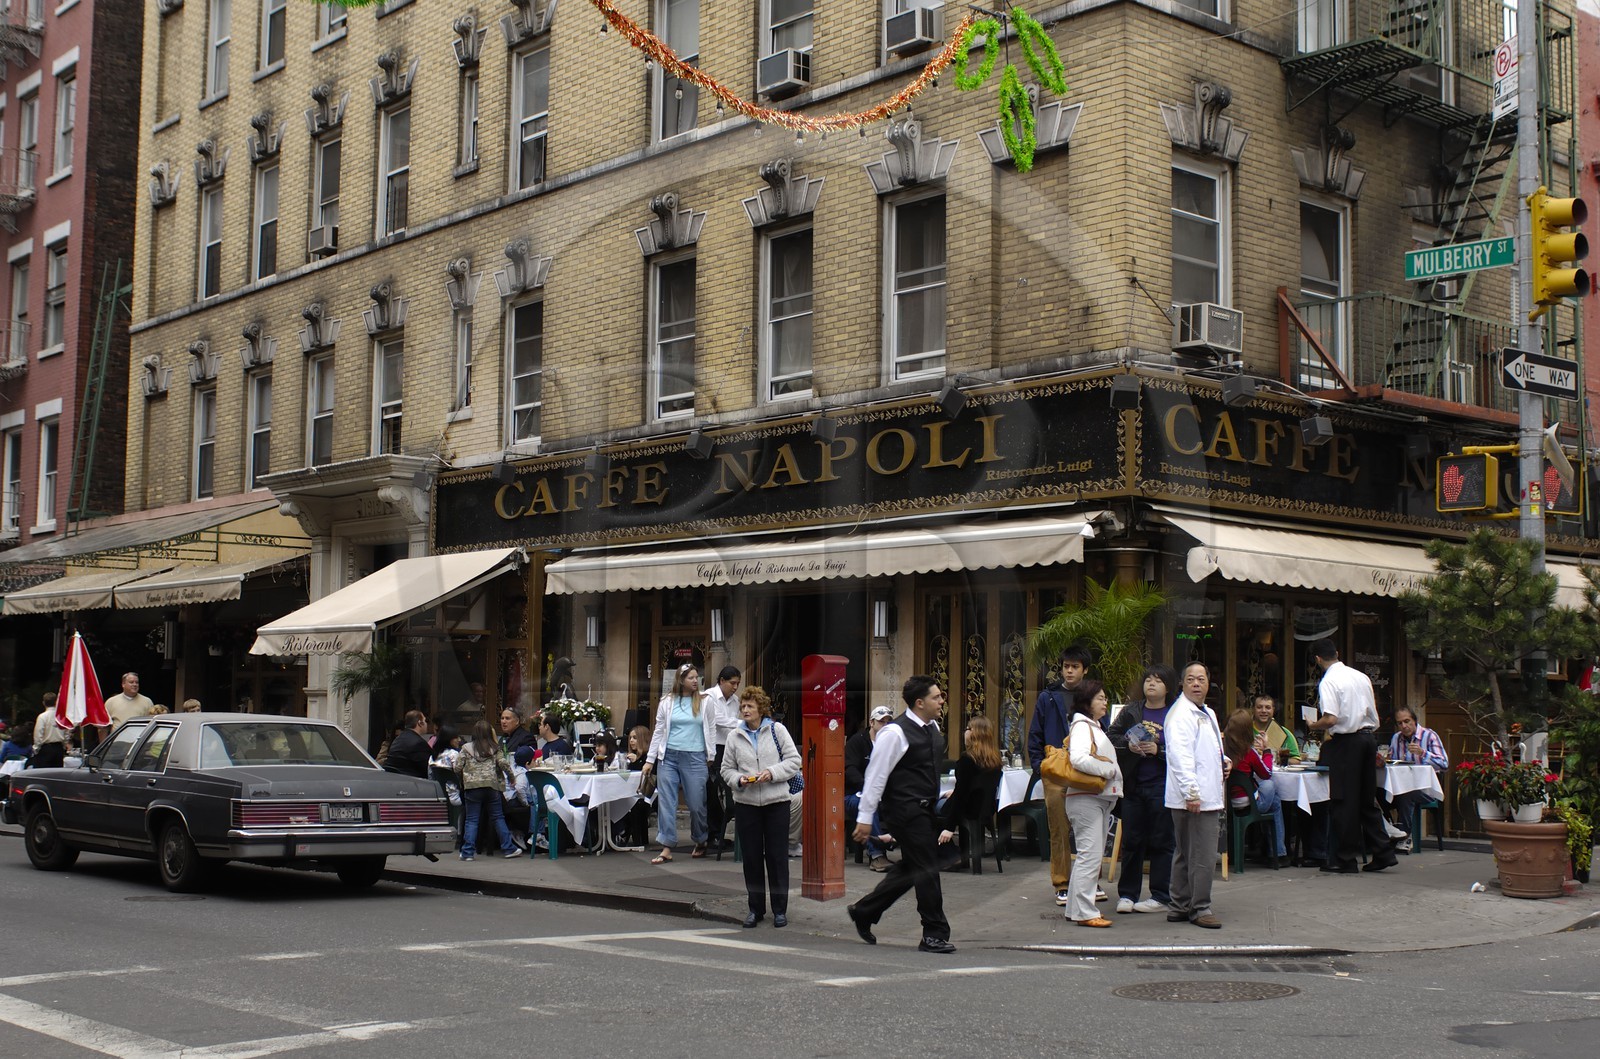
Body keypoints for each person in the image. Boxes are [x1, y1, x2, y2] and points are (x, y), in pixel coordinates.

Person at [848, 675, 958, 954]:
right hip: (905, 811)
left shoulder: (931, 727)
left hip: (925, 810)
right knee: (927, 869)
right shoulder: (894, 733)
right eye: (937, 697)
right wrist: (864, 817)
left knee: (912, 868)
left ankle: (864, 911)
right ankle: (934, 933)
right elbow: (875, 775)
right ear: (919, 703)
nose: (942, 701)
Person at [1306, 640, 1398, 874]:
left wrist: (1313, 724)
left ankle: (1345, 858)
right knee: (1367, 800)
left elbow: (1331, 719)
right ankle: (1383, 852)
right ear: (1337, 653)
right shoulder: (1360, 676)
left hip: (1346, 742)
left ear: (1318, 660)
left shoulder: (1329, 681)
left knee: (1343, 801)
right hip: (1368, 739)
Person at [720, 684, 802, 927]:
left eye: (750, 706)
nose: (745, 709)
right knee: (752, 859)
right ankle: (755, 909)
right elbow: (726, 769)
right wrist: (738, 780)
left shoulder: (777, 730)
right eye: (743, 706)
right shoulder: (735, 736)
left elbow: (794, 761)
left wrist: (771, 772)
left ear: (761, 709)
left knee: (777, 857)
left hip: (776, 802)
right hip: (746, 803)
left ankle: (780, 910)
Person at [1108, 663, 1178, 914]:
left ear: (1168, 686)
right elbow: (1111, 735)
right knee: (1132, 841)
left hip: (1163, 786)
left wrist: (1159, 751)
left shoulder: (1175, 714)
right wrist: (1130, 745)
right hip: (1134, 786)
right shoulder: (1132, 711)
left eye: (1158, 680)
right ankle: (1127, 895)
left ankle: (1160, 895)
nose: (1151, 683)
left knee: (1162, 841)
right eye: (1148, 679)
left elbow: (1184, 751)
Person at [1165, 661, 1227, 929]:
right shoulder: (1181, 715)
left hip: (1202, 794)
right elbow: (1180, 759)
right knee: (1201, 854)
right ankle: (1200, 907)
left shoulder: (1207, 713)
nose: (1196, 684)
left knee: (1186, 851)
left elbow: (1208, 749)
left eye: (1201, 679)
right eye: (1191, 679)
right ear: (1182, 683)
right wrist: (1192, 792)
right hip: (1195, 798)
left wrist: (1224, 761)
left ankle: (1179, 904)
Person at [1027, 645, 1089, 907]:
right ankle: (1062, 884)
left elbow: (1103, 730)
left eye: (1075, 666)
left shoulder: (1092, 695)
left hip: (1086, 772)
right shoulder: (1048, 697)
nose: (1070, 671)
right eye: (1066, 666)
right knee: (1059, 829)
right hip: (1055, 771)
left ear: (1085, 670)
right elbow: (1035, 734)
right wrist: (1041, 767)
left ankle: (1089, 883)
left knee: (1088, 830)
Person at [1061, 681, 1123, 927]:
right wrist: (1109, 770)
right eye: (1100, 698)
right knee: (1090, 856)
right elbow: (1078, 758)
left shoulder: (1090, 726)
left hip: (1090, 799)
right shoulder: (1082, 726)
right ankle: (1086, 912)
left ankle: (1076, 909)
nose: (1104, 701)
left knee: (1088, 856)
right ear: (1087, 702)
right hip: (1086, 799)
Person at [642, 663, 716, 863]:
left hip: (695, 756)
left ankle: (701, 839)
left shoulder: (705, 701)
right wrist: (650, 760)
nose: (695, 681)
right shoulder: (667, 701)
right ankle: (666, 846)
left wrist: (711, 755)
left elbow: (711, 727)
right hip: (669, 757)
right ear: (681, 680)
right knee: (667, 802)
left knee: (695, 803)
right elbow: (658, 730)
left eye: (696, 677)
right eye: (691, 677)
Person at [1222, 709, 1287, 867]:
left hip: (1227, 803)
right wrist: (1266, 751)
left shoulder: (1222, 749)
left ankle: (1266, 849)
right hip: (1246, 804)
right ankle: (1277, 853)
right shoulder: (1248, 752)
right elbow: (1266, 773)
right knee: (1272, 790)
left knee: (1275, 801)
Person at [938, 716, 1003, 872]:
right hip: (984, 808)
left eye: (968, 728)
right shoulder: (995, 759)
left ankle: (952, 855)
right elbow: (975, 786)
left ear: (975, 734)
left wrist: (949, 827)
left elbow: (960, 798)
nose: (965, 732)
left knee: (929, 811)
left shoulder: (967, 760)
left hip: (967, 808)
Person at [1382, 705, 1449, 852]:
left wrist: (1424, 753)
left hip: (1425, 790)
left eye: (1407, 721)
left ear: (1414, 720)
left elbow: (1444, 764)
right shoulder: (1396, 738)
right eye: (1400, 723)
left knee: (1407, 793)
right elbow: (1392, 761)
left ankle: (1405, 836)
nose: (1404, 726)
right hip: (1399, 786)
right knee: (1377, 793)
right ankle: (1388, 833)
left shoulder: (1429, 736)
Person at [454, 719, 519, 860]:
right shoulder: (495, 748)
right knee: (497, 817)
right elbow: (504, 764)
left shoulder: (466, 748)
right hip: (492, 787)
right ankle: (508, 848)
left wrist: (463, 778)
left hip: (472, 787)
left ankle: (467, 853)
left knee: (472, 820)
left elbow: (457, 767)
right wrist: (512, 778)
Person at [847, 705, 895, 871]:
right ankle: (876, 856)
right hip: (853, 795)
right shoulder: (858, 741)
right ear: (871, 722)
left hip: (885, 796)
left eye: (889, 722)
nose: (885, 725)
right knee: (869, 802)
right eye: (882, 721)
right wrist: (870, 788)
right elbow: (849, 770)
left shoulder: (892, 743)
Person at [703, 666, 743, 851]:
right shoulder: (709, 696)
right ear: (721, 681)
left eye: (738, 684)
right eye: (732, 683)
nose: (735, 687)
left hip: (729, 747)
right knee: (714, 790)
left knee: (727, 790)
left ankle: (719, 832)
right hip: (712, 747)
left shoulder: (735, 701)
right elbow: (717, 720)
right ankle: (712, 834)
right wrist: (741, 723)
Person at [617, 724, 653, 847]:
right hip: (634, 792)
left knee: (633, 804)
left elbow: (644, 775)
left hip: (648, 794)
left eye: (635, 738)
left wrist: (636, 761)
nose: (631, 740)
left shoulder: (648, 758)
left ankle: (630, 834)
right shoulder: (631, 756)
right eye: (630, 738)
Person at [1250, 694, 1301, 765]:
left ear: (1273, 710)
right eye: (1259, 707)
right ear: (1253, 709)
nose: (1264, 710)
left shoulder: (1284, 733)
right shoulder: (1244, 730)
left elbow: (1296, 760)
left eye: (1268, 707)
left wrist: (1280, 760)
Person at [385, 710, 432, 778]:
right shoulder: (418, 743)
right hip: (411, 781)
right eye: (425, 721)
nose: (426, 724)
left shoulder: (398, 739)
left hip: (393, 778)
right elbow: (428, 769)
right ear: (419, 723)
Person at [30, 693, 68, 769]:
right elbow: (66, 733)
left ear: (43, 703)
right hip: (59, 748)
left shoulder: (42, 717)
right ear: (56, 702)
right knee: (57, 773)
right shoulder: (61, 717)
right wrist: (64, 745)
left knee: (44, 773)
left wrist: (36, 748)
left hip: (46, 749)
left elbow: (38, 734)